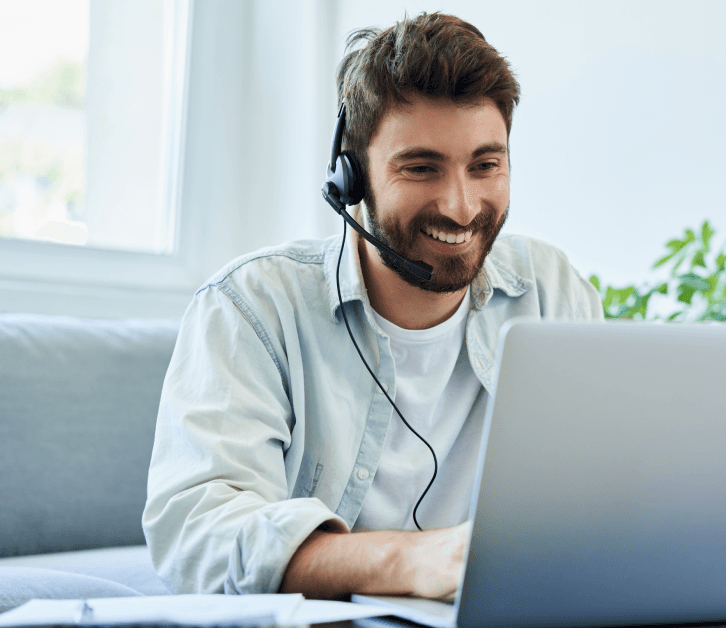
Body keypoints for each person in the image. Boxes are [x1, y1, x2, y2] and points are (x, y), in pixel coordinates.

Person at [142, 13, 603, 599]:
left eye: (485, 165)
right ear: (351, 176)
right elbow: (197, 533)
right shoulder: (252, 306)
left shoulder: (551, 289)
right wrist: (406, 563)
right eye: (420, 168)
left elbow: (609, 492)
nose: (461, 208)